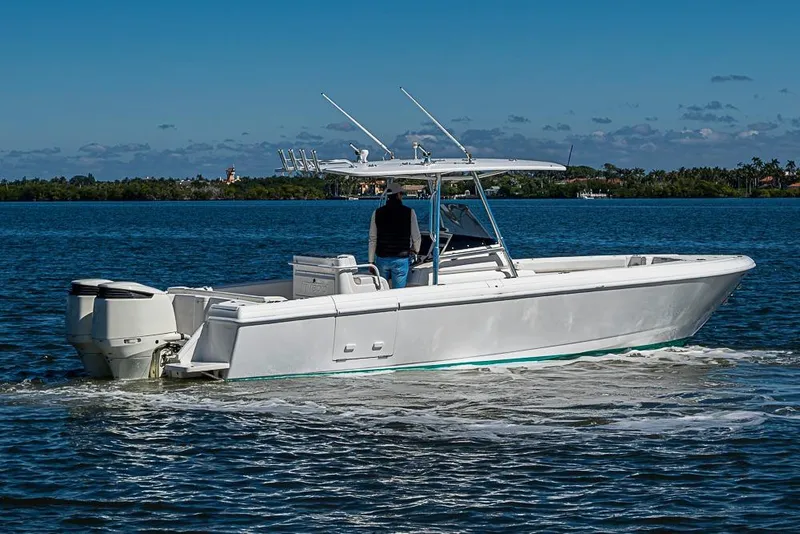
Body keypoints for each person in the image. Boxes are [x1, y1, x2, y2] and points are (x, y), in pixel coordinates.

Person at [368, 183, 422, 288]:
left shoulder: (377, 213)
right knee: (398, 292)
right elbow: (416, 236)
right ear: (397, 195)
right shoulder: (409, 212)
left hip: (382, 257)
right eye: (401, 194)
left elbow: (372, 238)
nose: (402, 196)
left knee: (382, 289)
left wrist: (371, 261)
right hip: (401, 258)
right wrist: (416, 250)